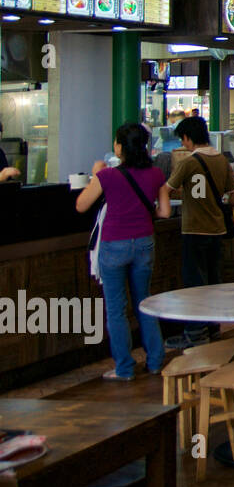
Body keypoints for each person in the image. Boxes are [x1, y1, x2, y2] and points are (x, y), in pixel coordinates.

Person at [73, 123, 169, 380]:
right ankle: (156, 361)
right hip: (144, 243)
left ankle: (125, 369)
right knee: (144, 303)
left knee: (116, 309)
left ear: (119, 147)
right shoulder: (156, 174)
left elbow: (81, 205)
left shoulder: (107, 176)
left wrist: (95, 175)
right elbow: (165, 212)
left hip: (114, 244)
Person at [160, 115, 234, 348]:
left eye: (183, 140)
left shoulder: (189, 162)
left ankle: (195, 332)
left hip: (194, 230)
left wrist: (162, 206)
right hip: (216, 229)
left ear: (188, 137)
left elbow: (167, 188)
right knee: (213, 281)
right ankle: (213, 327)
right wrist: (223, 208)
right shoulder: (221, 160)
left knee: (195, 283)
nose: (183, 144)